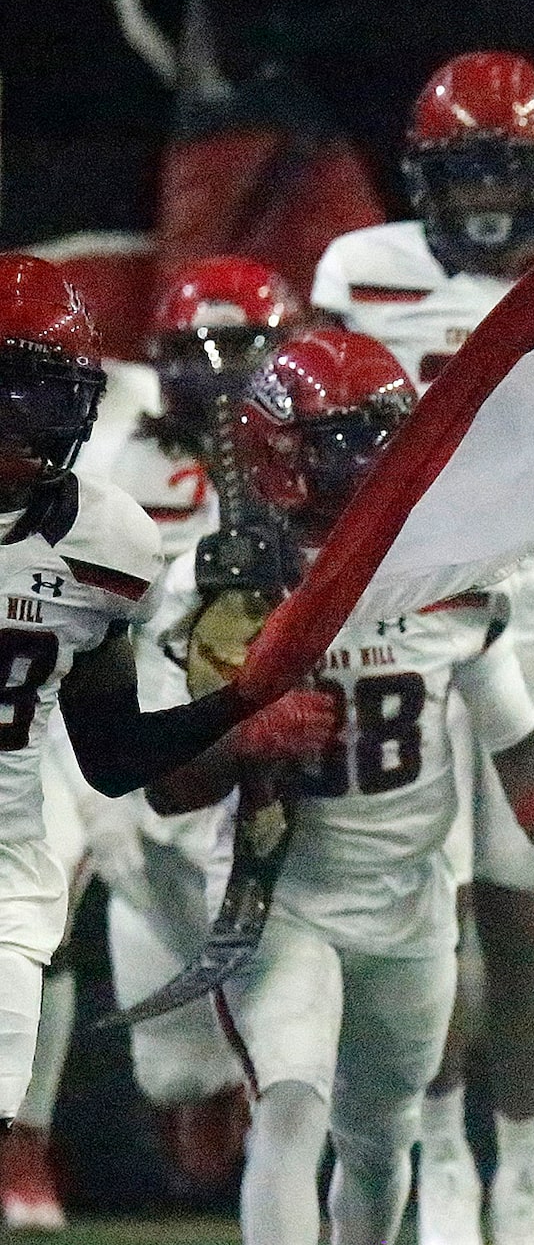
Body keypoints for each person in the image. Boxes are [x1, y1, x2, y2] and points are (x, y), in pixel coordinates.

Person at [145, 328, 534, 1245]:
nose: (374, 466)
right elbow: (167, 787)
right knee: (288, 1099)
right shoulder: (226, 583)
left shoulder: (447, 574)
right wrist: (244, 735)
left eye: (382, 441)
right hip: (277, 889)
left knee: (381, 1137)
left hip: (407, 900)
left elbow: (519, 741)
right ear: (284, 455)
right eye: (347, 445)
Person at [311, 49, 534, 1245]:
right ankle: (435, 1154)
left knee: (521, 907)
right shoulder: (361, 273)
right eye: (464, 168)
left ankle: (522, 1175)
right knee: (417, 895)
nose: (485, 196)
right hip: (403, 608)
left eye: (506, 168)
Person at [0, 254, 312, 1137]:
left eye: (241, 347)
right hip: (69, 740)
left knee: (207, 1052)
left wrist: (247, 707)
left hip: (190, 727)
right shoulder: (112, 442)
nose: (217, 372)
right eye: (195, 349)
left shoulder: (291, 468)